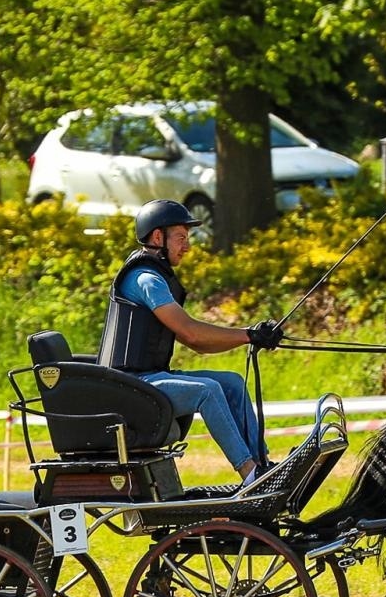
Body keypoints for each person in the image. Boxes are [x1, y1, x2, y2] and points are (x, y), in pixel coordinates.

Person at [99, 199, 283, 484]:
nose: (187, 246)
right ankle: (249, 474)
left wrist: (251, 337)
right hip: (130, 386)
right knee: (206, 390)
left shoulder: (157, 277)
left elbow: (199, 344)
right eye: (181, 238)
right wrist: (248, 334)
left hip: (150, 379)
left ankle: (262, 463)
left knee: (232, 382)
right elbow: (191, 333)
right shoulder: (146, 279)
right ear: (158, 237)